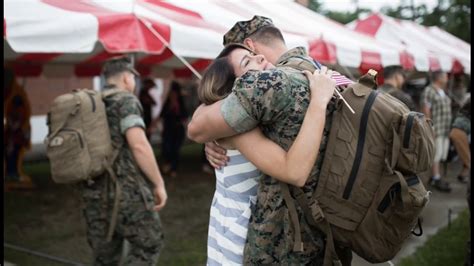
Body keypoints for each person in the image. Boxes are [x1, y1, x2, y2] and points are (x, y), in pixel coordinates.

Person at [188, 16, 353, 265]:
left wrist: (212, 132)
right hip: (240, 230)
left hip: (281, 230)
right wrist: (214, 133)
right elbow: (199, 125)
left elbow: (199, 125)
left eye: (251, 55)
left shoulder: (272, 92)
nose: (259, 60)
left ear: (251, 44)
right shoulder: (309, 74)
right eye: (247, 61)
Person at [80, 56, 167, 265]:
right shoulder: (126, 101)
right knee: (149, 243)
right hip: (126, 192)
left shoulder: (91, 104)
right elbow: (139, 145)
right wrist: (158, 183)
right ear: (128, 78)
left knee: (105, 257)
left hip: (93, 194)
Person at [421, 70, 452, 192]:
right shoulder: (429, 90)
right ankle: (435, 178)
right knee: (436, 155)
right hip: (437, 128)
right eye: (445, 76)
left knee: (441, 154)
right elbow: (426, 109)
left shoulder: (442, 91)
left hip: (444, 128)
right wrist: (430, 127)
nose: (447, 78)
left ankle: (436, 177)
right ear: (439, 78)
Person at [160, 81, 188, 178]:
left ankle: (173, 169)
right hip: (168, 129)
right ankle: (168, 164)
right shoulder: (167, 103)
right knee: (167, 148)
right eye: (172, 93)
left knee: (175, 149)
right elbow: (162, 115)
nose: (173, 95)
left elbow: (185, 116)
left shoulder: (181, 102)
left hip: (178, 130)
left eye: (175, 93)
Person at [449, 96, 470, 183]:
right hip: (459, 132)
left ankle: (462, 175)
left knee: (467, 158)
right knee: (468, 159)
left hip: (460, 132)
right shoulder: (463, 118)